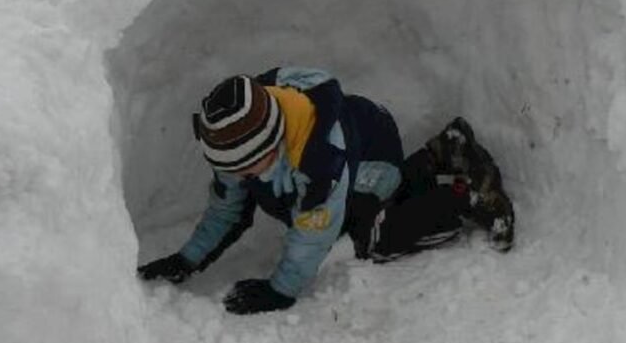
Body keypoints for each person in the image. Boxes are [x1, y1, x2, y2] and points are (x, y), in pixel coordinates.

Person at [138, 66, 514, 314]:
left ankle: (463, 198)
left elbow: (312, 236)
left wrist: (280, 291)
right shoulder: (240, 134)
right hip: (357, 137)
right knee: (335, 206)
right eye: (229, 167)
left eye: (243, 168)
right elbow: (227, 208)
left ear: (270, 146)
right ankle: (444, 150)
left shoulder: (321, 164)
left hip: (371, 157)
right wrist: (187, 259)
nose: (235, 175)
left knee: (370, 238)